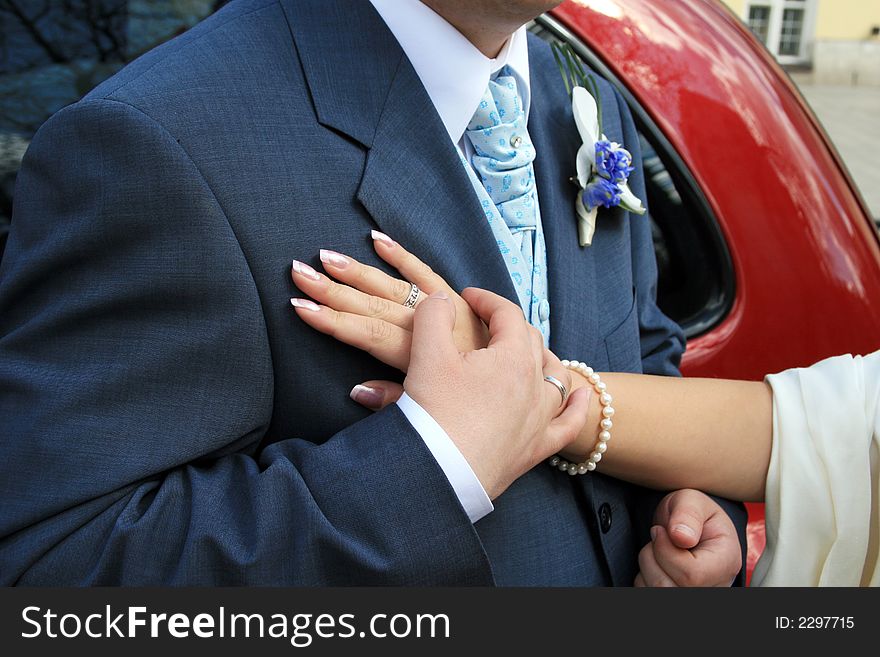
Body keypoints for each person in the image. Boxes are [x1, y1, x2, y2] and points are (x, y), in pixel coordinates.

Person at [0, 0, 745, 585]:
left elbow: (647, 350)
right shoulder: (153, 138)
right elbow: (56, 567)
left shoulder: (587, 100)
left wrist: (692, 511)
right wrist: (436, 459)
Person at [293, 238, 879, 586]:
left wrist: (522, 383)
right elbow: (803, 434)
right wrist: (532, 384)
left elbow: (654, 356)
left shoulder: (595, 103)